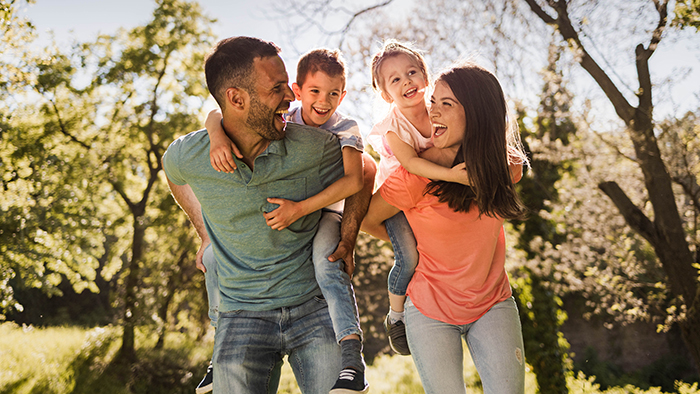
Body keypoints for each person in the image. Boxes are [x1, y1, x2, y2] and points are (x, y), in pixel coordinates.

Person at [163, 36, 372, 394]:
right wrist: (205, 233)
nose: (291, 97)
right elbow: (173, 172)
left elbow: (364, 172)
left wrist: (348, 237)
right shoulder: (192, 154)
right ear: (236, 98)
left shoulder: (314, 145)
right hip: (240, 313)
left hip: (312, 306)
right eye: (278, 88)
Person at [361, 62, 529, 393]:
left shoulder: (506, 167)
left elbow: (502, 157)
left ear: (477, 112)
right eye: (432, 102)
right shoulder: (414, 178)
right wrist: (414, 253)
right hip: (430, 309)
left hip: (492, 301)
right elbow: (369, 220)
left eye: (446, 104)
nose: (432, 112)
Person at [365, 40, 469, 355]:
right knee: (408, 257)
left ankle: (445, 305)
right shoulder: (392, 126)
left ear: (425, 77)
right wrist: (453, 175)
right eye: (395, 79)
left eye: (412, 72)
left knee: (437, 249)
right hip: (395, 198)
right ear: (386, 94)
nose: (407, 81)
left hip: (426, 193)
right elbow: (410, 164)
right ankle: (396, 315)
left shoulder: (438, 110)